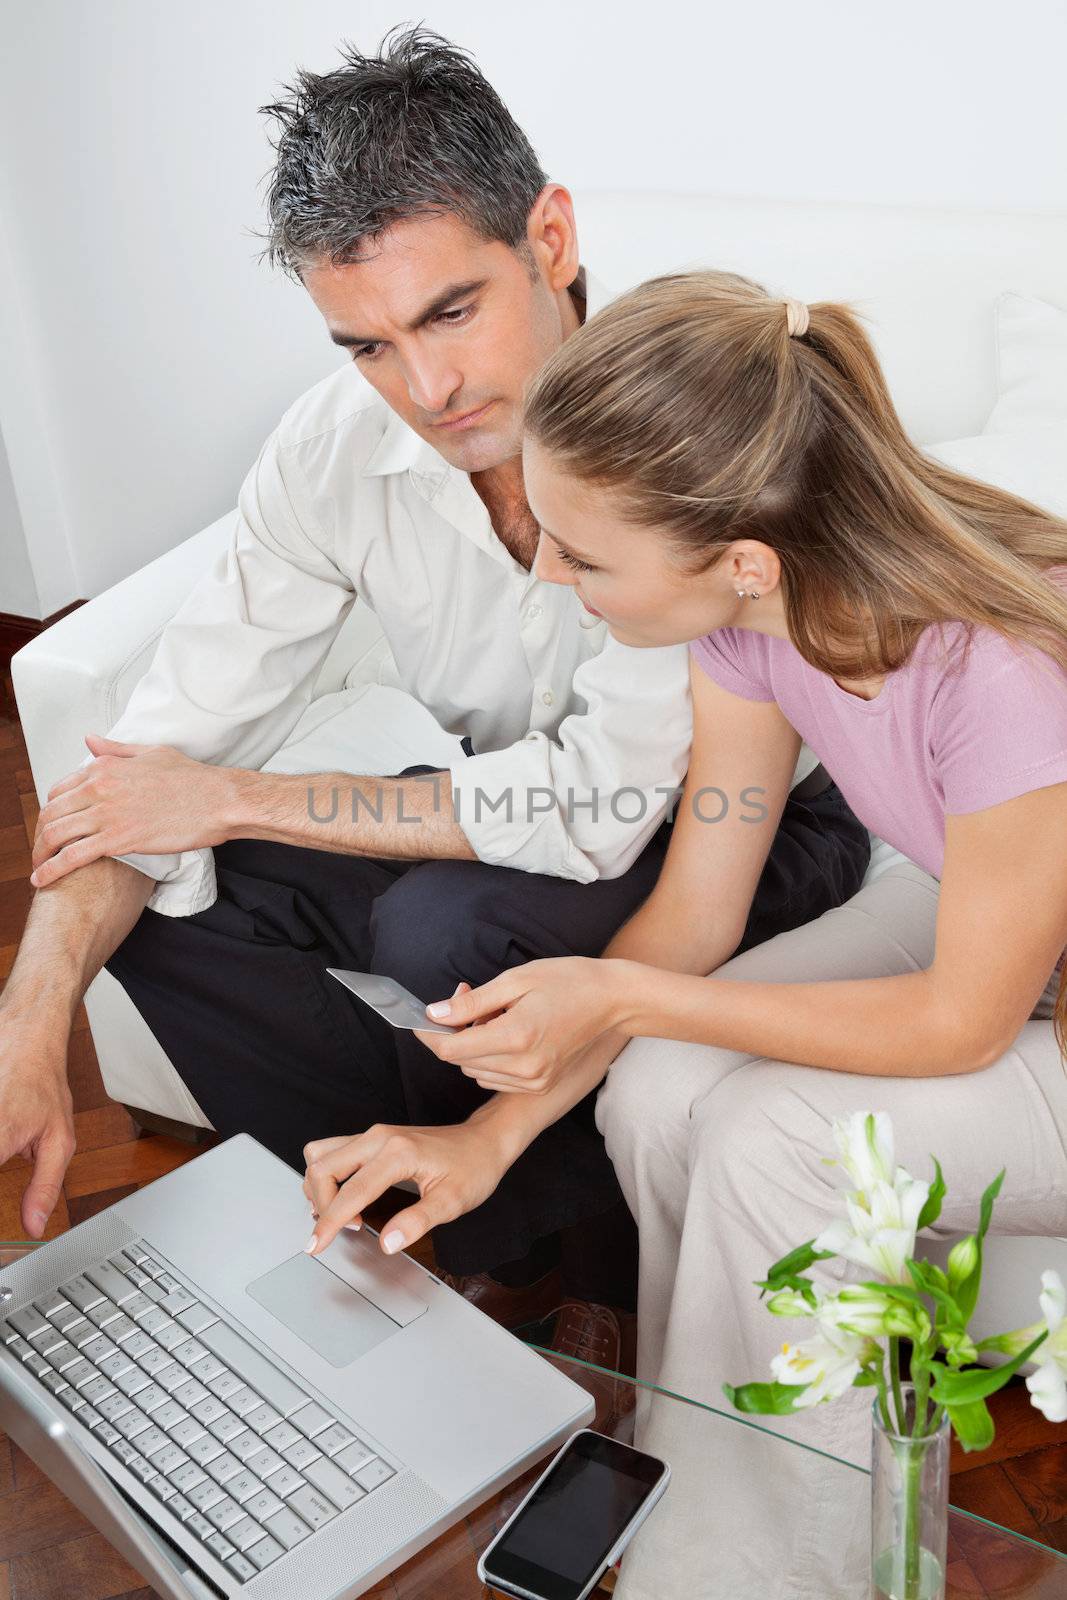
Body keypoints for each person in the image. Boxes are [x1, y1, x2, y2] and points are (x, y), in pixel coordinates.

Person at [3, 33, 869, 1374]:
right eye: (368, 345)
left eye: (452, 312)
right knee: (174, 909)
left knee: (440, 916)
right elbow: (153, 756)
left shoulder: (680, 425)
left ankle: (601, 1271)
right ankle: (469, 1231)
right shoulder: (334, 450)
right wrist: (31, 1014)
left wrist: (234, 795)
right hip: (518, 806)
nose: (428, 390)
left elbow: (596, 814)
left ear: (552, 235)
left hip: (747, 829)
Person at [304, 270, 1067, 1597]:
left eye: (583, 554)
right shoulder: (756, 620)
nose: (546, 572)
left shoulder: (999, 668)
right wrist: (486, 1137)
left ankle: (743, 1577)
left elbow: (963, 1021)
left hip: (1020, 984)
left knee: (779, 1136)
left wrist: (618, 1000)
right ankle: (773, 1535)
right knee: (661, 1090)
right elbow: (695, 918)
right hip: (1007, 930)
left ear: (741, 557)